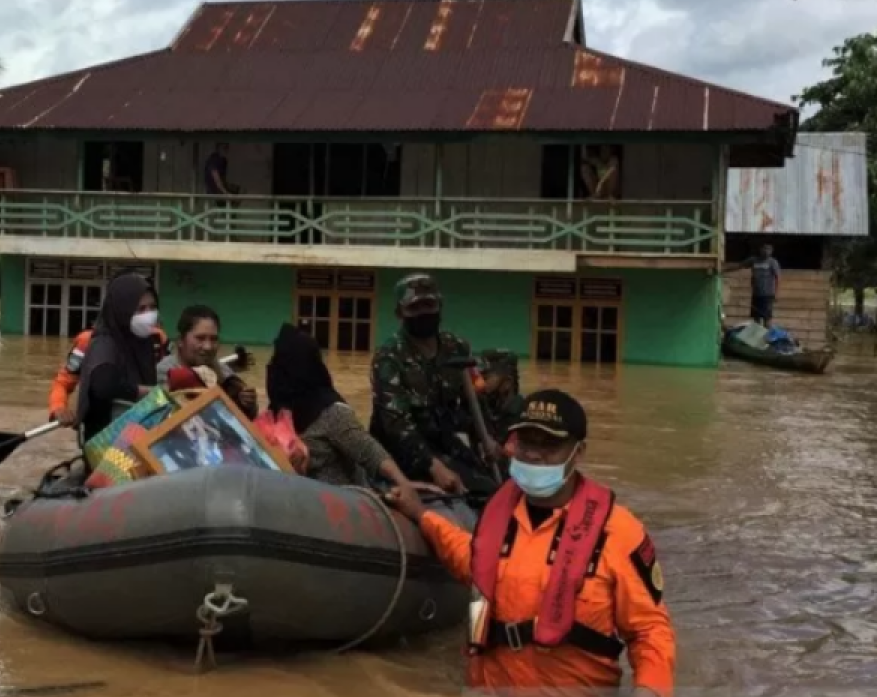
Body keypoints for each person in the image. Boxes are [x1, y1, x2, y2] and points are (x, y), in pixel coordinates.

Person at [384, 389, 676, 697]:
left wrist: (649, 691)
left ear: (578, 453)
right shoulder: (497, 516)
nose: (534, 454)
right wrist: (421, 514)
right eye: (526, 443)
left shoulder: (618, 532)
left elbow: (649, 631)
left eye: (549, 445)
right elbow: (470, 561)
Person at [370, 273, 501, 498]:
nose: (423, 313)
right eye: (414, 307)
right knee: (474, 490)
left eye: (429, 305)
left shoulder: (456, 348)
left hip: (445, 441)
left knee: (498, 483)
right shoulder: (389, 358)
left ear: (440, 306)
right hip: (403, 451)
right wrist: (433, 466)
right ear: (399, 313)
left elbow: (475, 405)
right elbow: (396, 425)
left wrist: (486, 439)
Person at [269, 323, 418, 491]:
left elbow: (369, 450)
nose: (274, 370)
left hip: (342, 503)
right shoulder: (275, 415)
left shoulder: (332, 412)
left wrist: (403, 483)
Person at [73, 273, 161, 447]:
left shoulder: (145, 341)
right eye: (140, 309)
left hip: (136, 436)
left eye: (152, 307)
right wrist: (147, 392)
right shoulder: (104, 343)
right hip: (106, 443)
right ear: (122, 310)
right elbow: (103, 385)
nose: (148, 315)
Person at [49, 322, 169, 427]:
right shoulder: (88, 341)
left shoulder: (157, 339)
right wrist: (58, 408)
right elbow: (63, 383)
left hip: (146, 419)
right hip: (99, 427)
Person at [156, 304, 258, 419]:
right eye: (200, 338)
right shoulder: (165, 372)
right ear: (180, 341)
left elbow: (246, 418)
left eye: (214, 339)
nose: (208, 347)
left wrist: (245, 404)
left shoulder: (223, 372)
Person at [728, 244, 781, 328]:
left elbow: (777, 278)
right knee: (756, 318)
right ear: (760, 250)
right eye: (764, 249)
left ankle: (768, 339)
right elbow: (739, 266)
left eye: (769, 250)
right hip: (756, 294)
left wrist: (776, 293)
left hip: (767, 295)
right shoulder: (753, 260)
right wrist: (725, 270)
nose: (766, 251)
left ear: (771, 251)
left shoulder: (773, 262)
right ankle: (757, 338)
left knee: (767, 318)